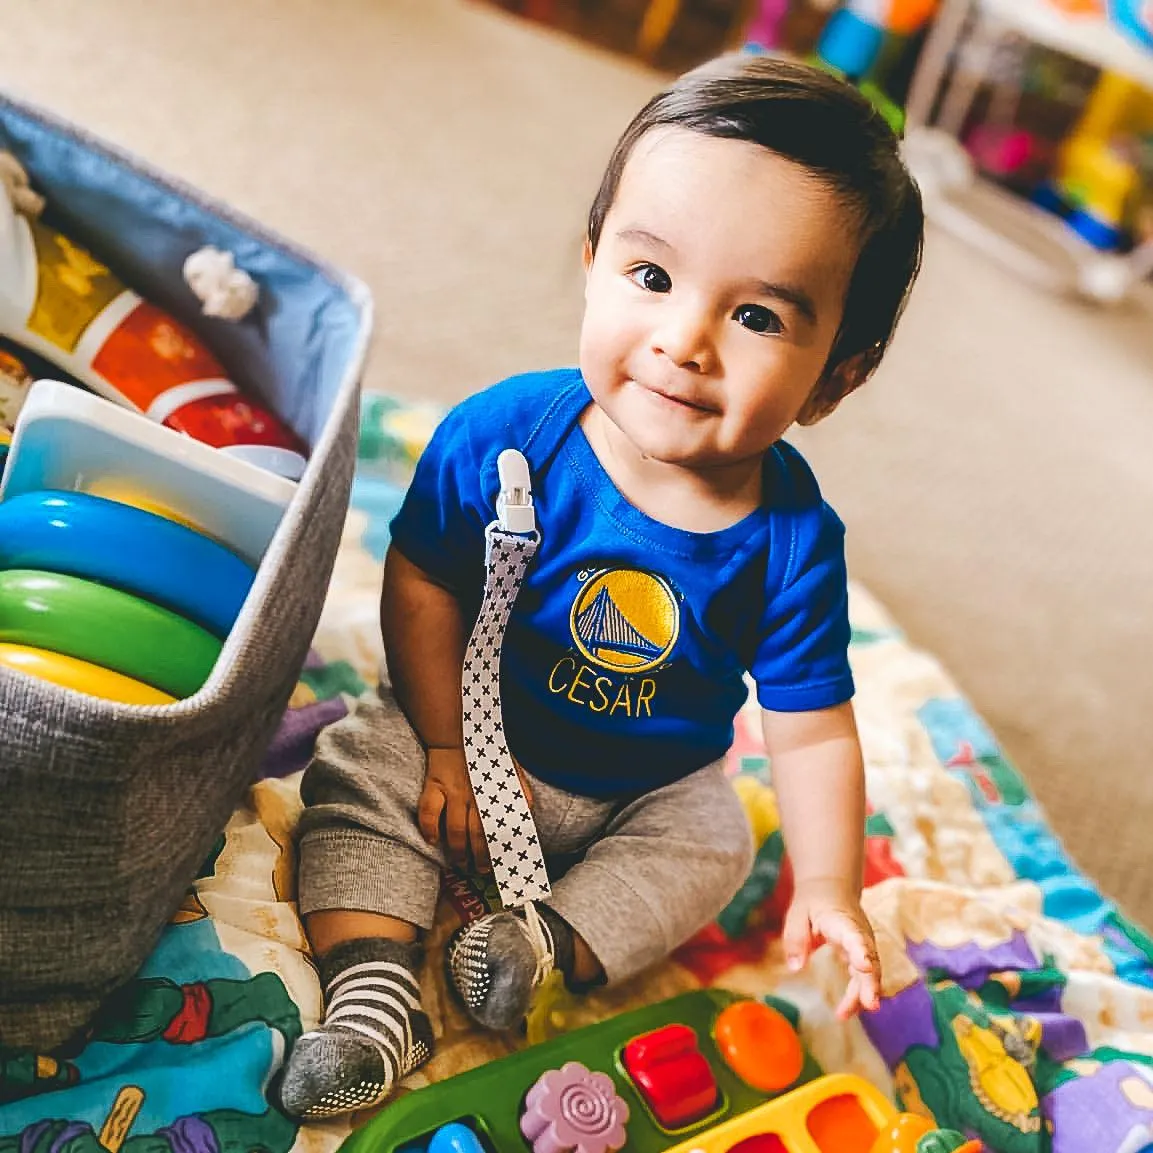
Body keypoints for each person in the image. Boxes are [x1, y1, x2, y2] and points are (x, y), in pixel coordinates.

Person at [277, 52, 924, 1119]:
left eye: (758, 317)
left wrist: (826, 888)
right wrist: (441, 742)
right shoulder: (506, 437)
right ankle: (373, 991)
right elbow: (427, 581)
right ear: (590, 259)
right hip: (475, 728)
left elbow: (809, 729)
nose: (684, 340)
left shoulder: (794, 539)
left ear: (835, 379)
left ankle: (537, 945)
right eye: (652, 277)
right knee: (360, 761)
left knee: (717, 842)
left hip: (645, 786)